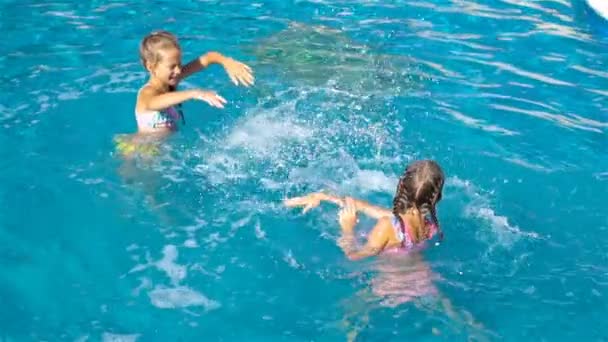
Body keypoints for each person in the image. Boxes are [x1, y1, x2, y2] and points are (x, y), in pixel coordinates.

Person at [116, 30, 254, 158]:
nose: (178, 71)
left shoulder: (172, 80)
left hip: (162, 146)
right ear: (151, 67)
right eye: (172, 67)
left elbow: (208, 58)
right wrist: (195, 93)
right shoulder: (147, 93)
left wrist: (227, 62)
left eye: (179, 64)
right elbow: (154, 102)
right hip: (142, 148)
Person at [284, 159, 445, 260]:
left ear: (401, 185)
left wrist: (347, 229)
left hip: (392, 287)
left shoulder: (387, 226)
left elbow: (354, 257)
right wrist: (324, 197)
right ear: (435, 197)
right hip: (423, 280)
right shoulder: (429, 225)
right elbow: (369, 208)